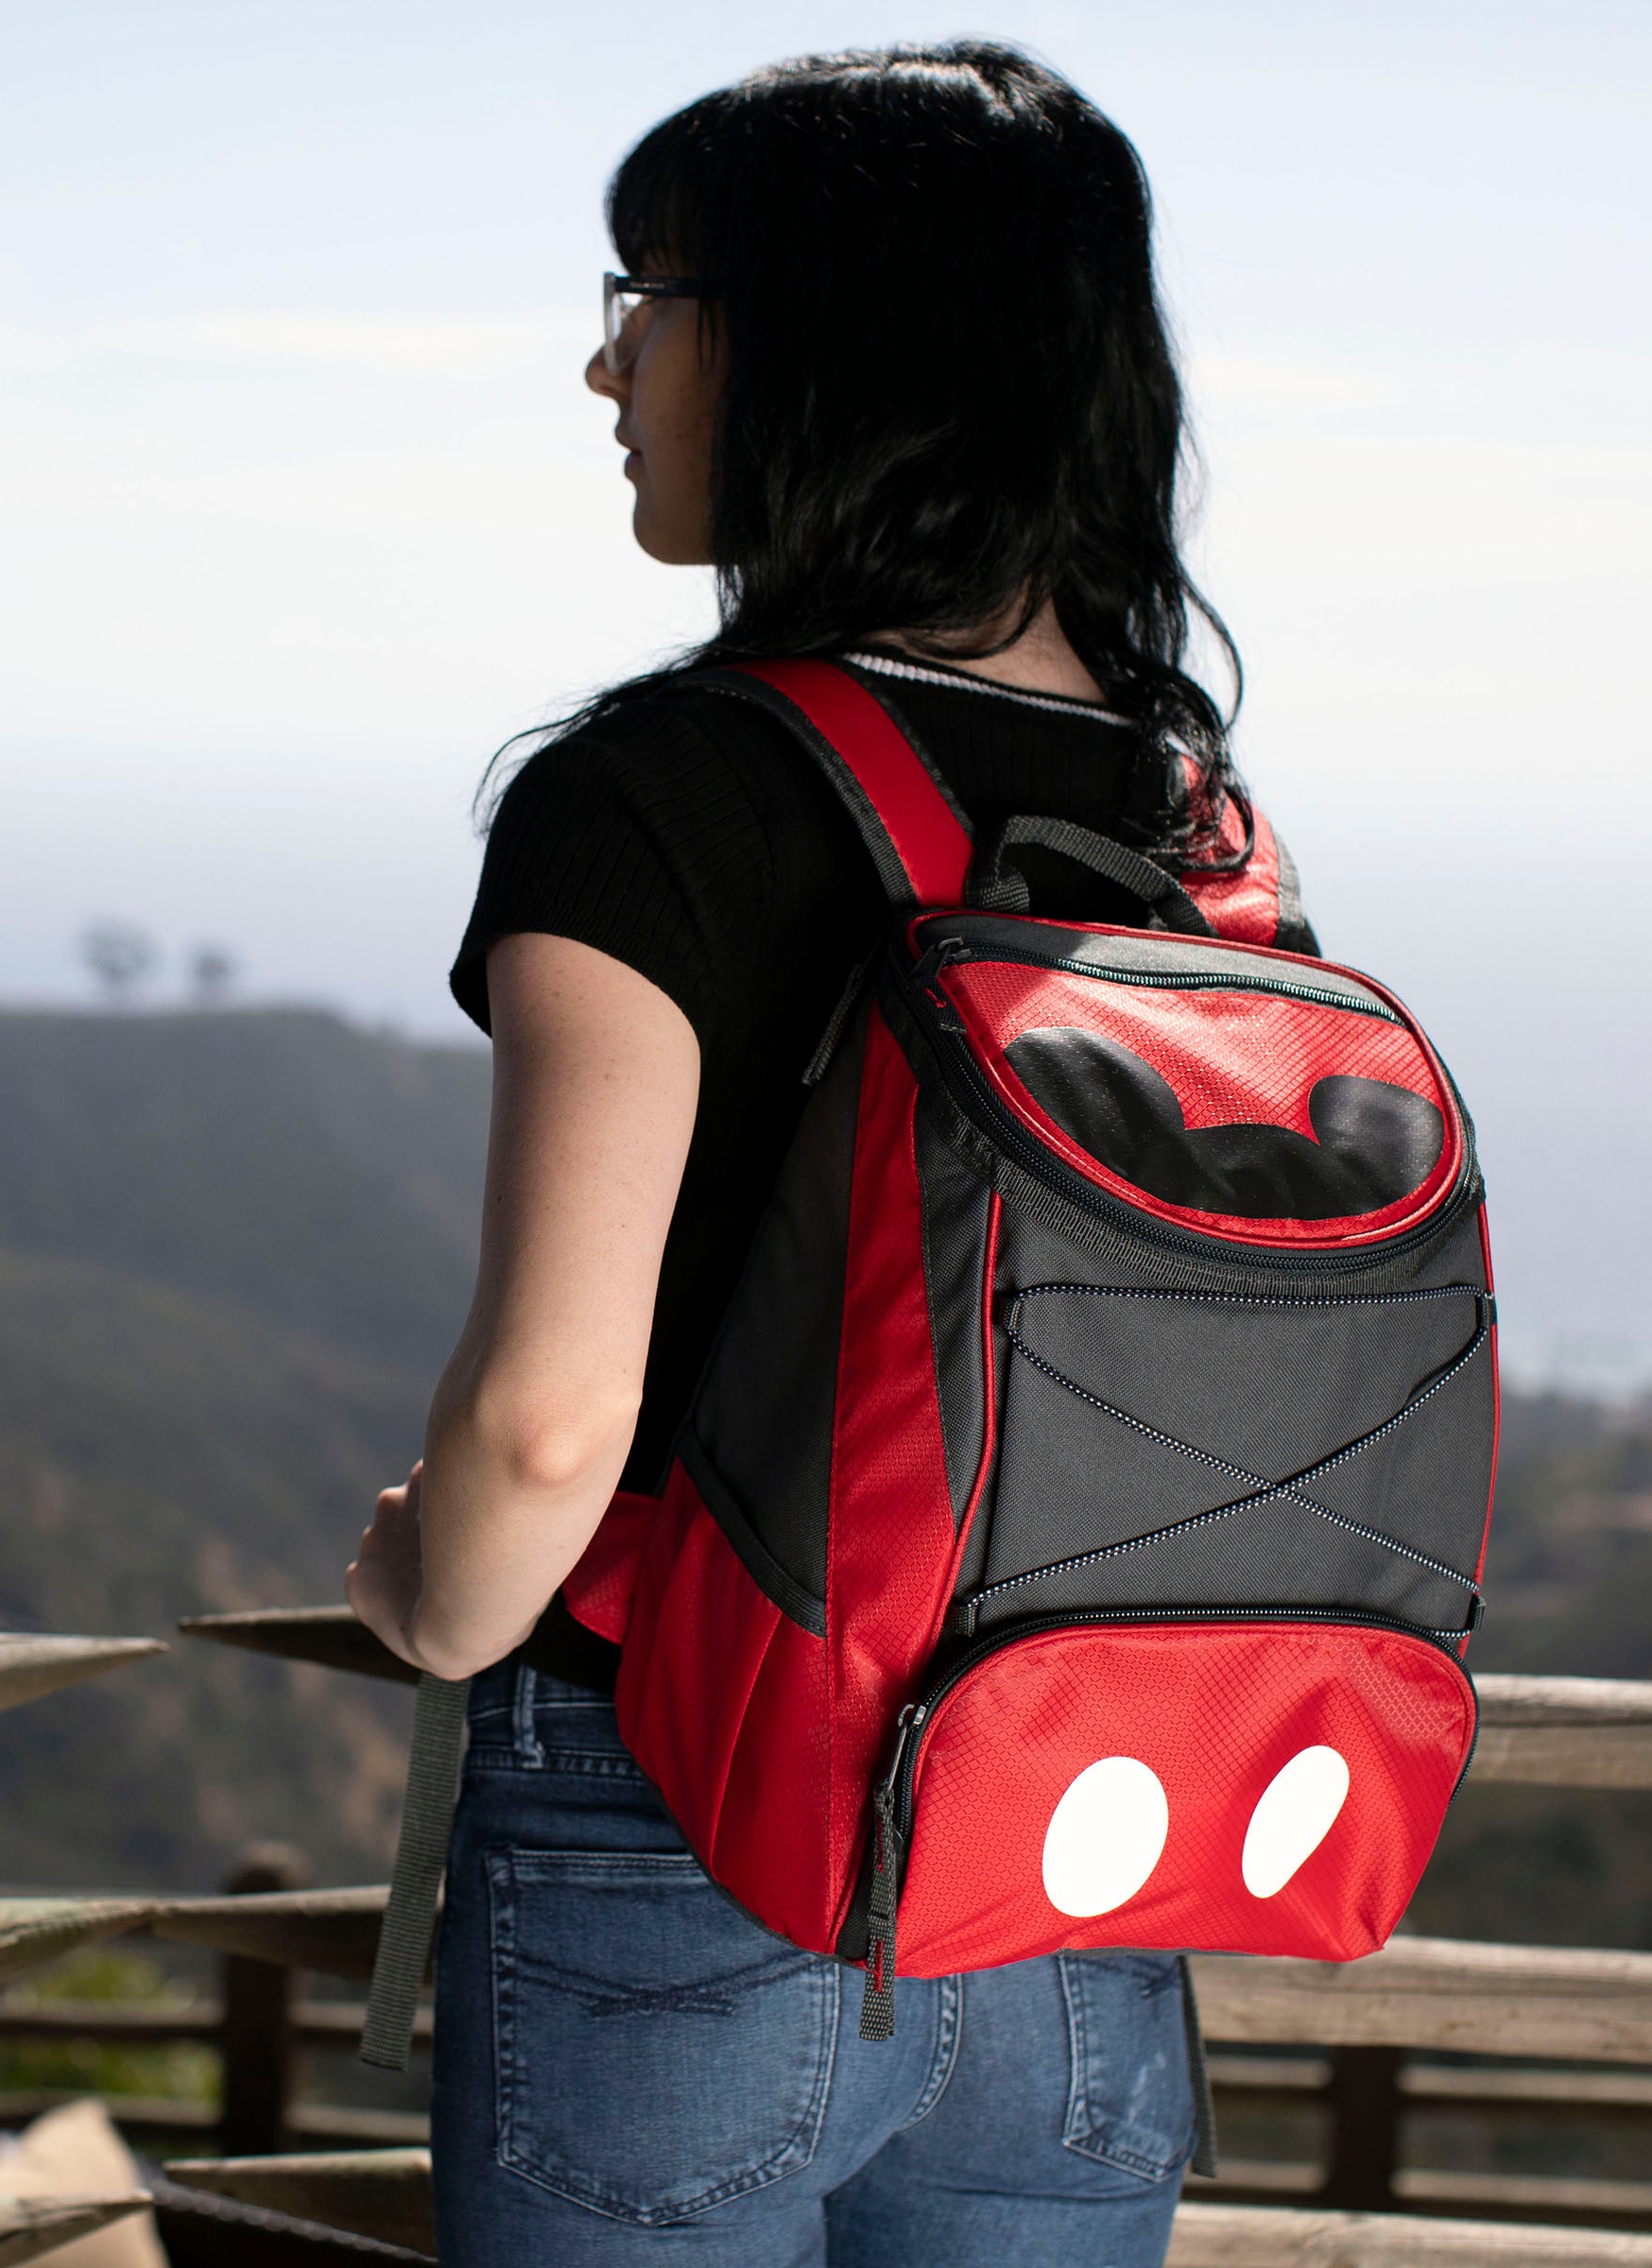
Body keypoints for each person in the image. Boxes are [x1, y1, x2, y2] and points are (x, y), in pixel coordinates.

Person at [347, 43, 1231, 2264]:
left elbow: (552, 1421)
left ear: (812, 339)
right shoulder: (1190, 816)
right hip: (1076, 1832)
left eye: (647, 293)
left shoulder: (655, 796)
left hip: (691, 1811)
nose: (603, 360)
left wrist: (420, 1596)